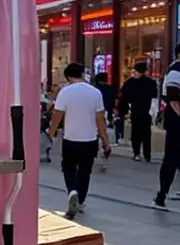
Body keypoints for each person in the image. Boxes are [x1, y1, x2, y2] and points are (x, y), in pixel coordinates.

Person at [46, 62, 111, 218]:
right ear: (82, 74)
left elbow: (57, 115)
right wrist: (106, 141)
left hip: (71, 138)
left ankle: (72, 191)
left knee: (68, 167)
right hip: (90, 139)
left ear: (68, 76)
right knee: (85, 171)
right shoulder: (95, 93)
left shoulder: (65, 92)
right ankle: (80, 200)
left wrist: (52, 132)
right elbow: (100, 120)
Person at [153, 40, 180, 210]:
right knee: (174, 158)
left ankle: (161, 195)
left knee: (174, 158)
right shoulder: (176, 71)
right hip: (177, 122)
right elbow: (173, 98)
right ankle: (161, 195)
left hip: (178, 121)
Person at [118, 60, 159, 162]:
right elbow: (123, 97)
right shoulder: (129, 83)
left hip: (146, 110)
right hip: (135, 110)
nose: (134, 73)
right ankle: (137, 152)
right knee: (136, 132)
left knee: (146, 133)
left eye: (136, 71)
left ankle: (147, 154)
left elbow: (154, 96)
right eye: (134, 71)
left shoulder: (149, 83)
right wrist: (123, 110)